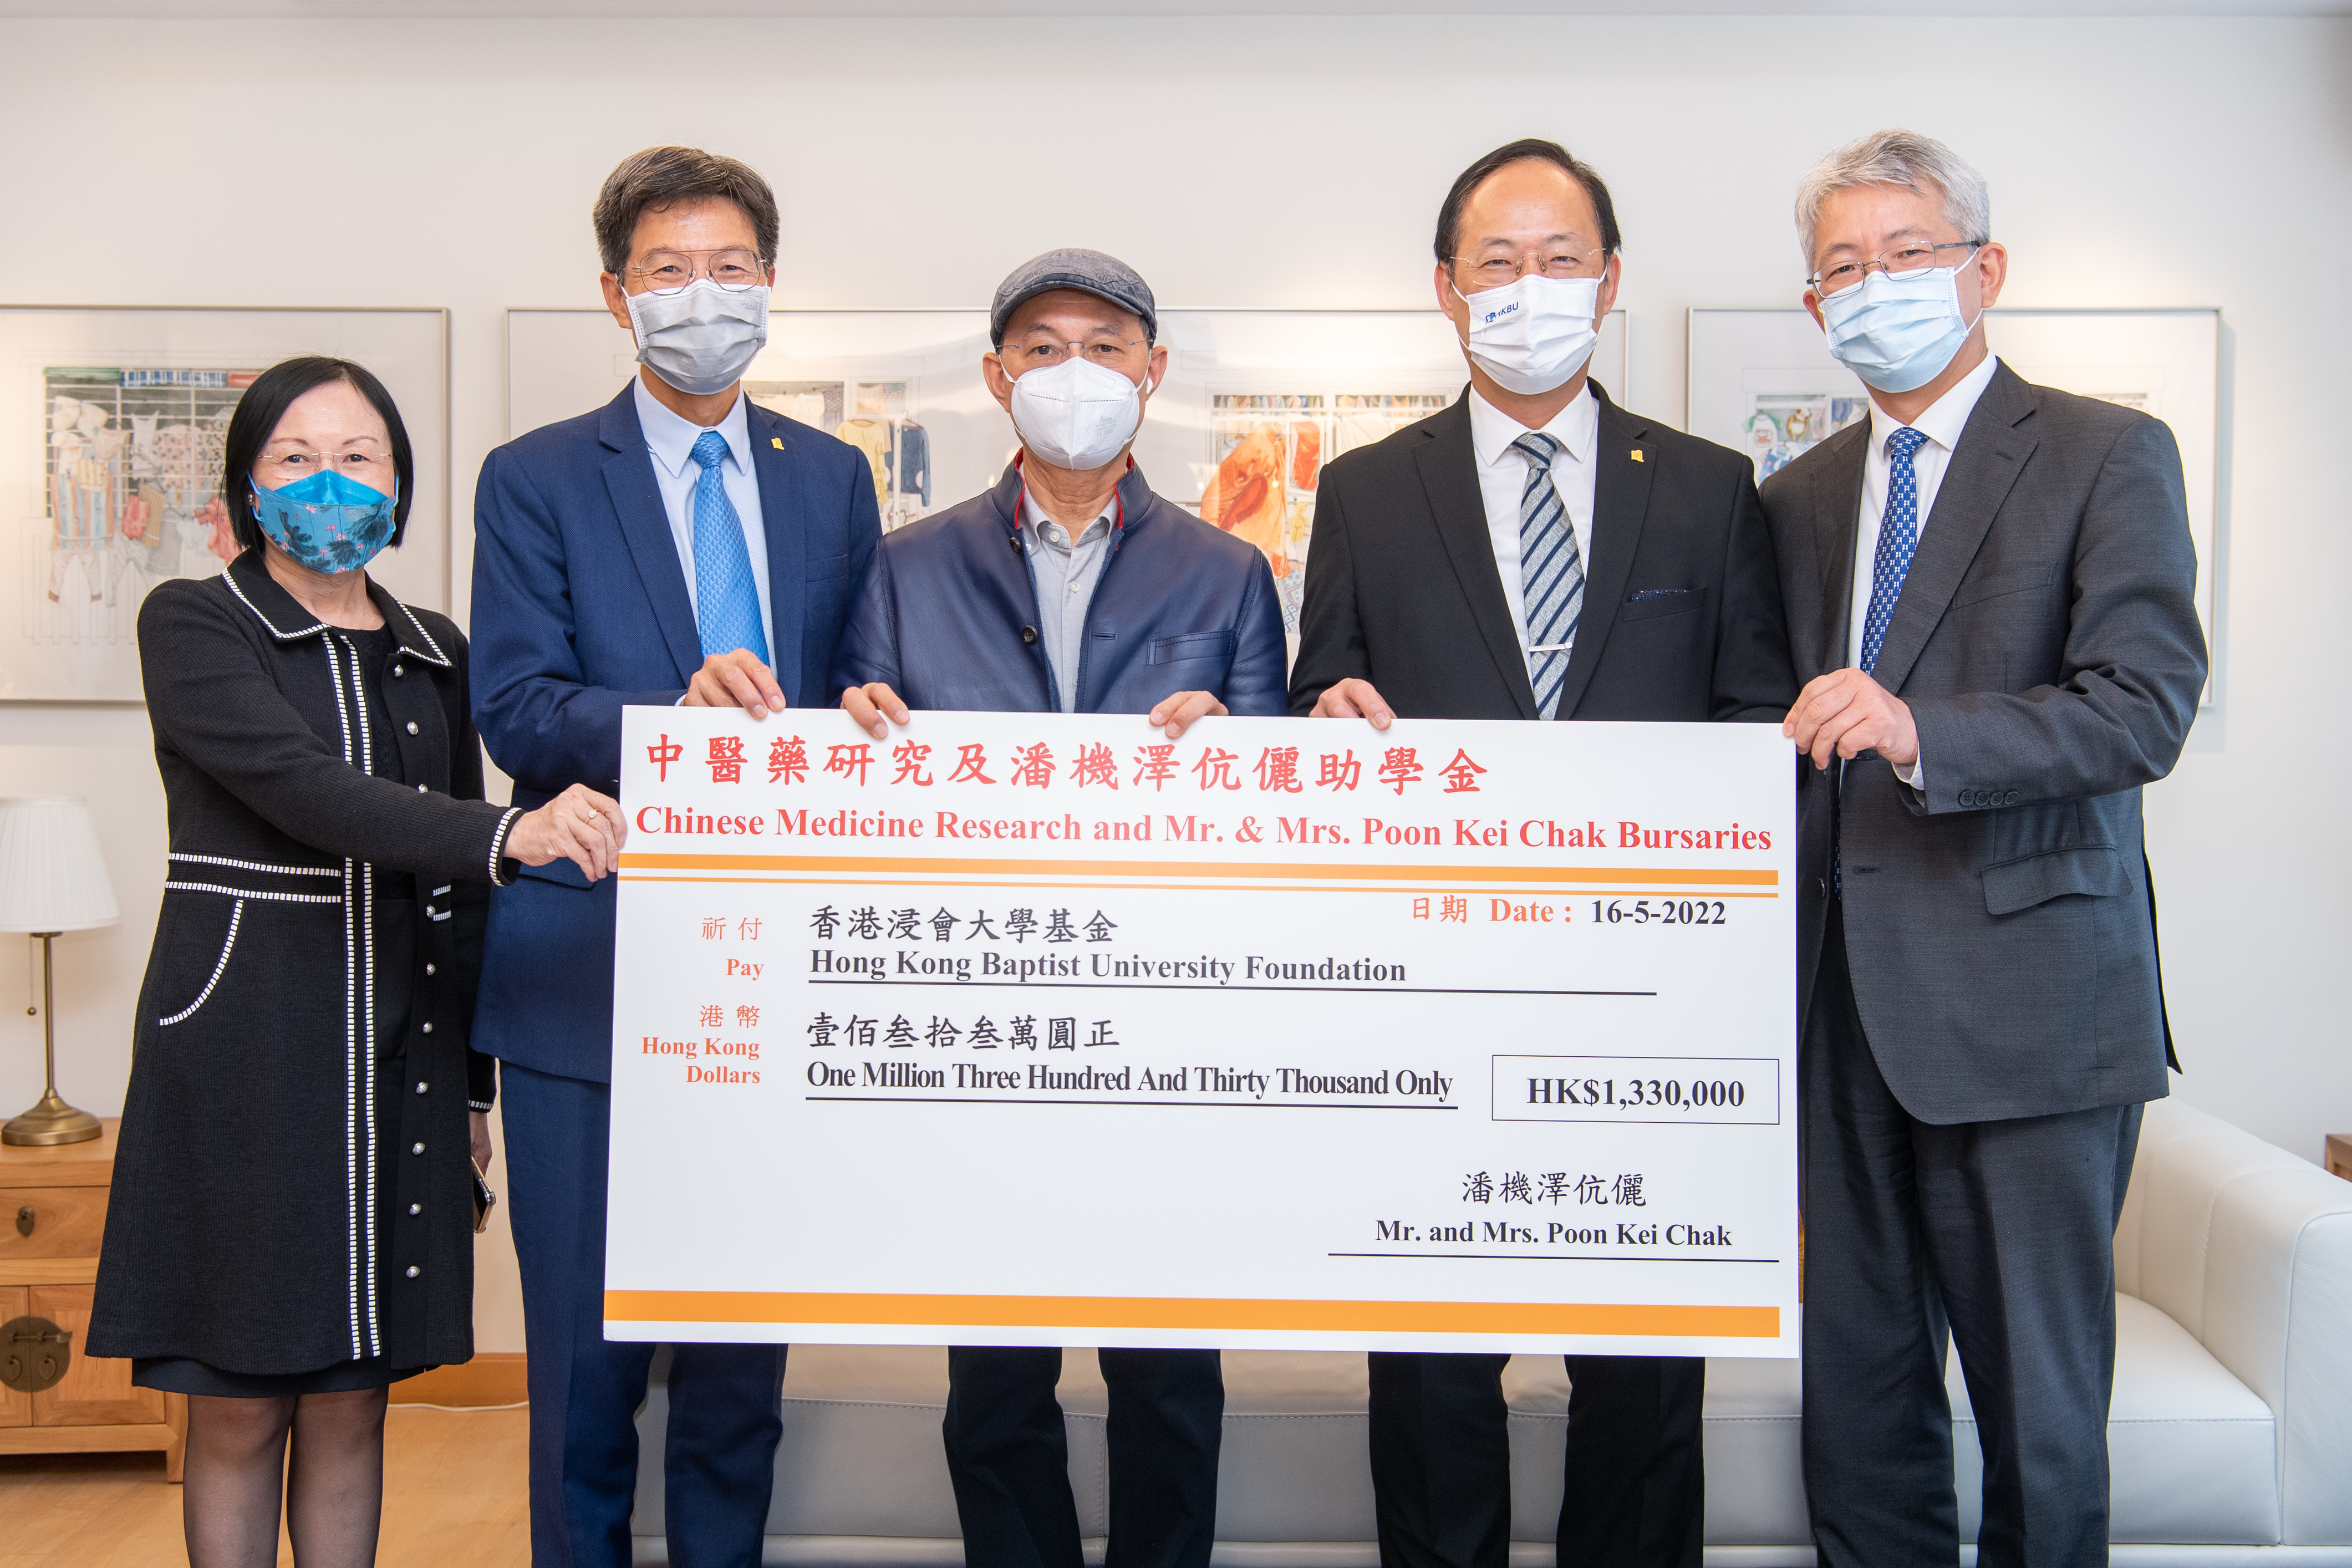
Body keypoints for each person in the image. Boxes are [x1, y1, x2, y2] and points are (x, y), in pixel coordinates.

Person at [1290, 140, 1796, 1568]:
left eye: (1560, 259)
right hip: (1430, 1007)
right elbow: (1320, 698)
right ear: (1447, 291)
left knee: (1642, 1392)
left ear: (1613, 281)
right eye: (1497, 264)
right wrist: (1323, 715)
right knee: (1434, 1388)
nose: (1530, 288)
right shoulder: (1370, 489)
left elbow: (1755, 725)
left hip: (1651, 1015)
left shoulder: (1707, 488)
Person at [88, 356, 625, 1568]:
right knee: (239, 1400)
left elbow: (457, 895)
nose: (328, 481)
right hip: (246, 1048)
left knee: (354, 1393)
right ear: (245, 483)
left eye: (358, 456)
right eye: (293, 457)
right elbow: (304, 790)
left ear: (399, 482)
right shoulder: (193, 621)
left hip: (402, 1053)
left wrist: (477, 1084)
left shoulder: (438, 646)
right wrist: (512, 832)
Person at [1760, 129, 2204, 1568]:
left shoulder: (2102, 451)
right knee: (1861, 1420)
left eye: (1904, 253)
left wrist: (1918, 730)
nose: (1871, 286)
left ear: (1981, 269)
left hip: (2032, 1018)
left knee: (2040, 1422)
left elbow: (2140, 708)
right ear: (1814, 303)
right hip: (1841, 1020)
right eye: (1840, 267)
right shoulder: (1797, 498)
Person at [834, 247, 1285, 1568]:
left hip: (1170, 1038)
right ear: (996, 377)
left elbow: (1276, 830)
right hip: (986, 1031)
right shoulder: (907, 568)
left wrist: (1243, 746)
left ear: (1152, 374)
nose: (1073, 372)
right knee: (995, 1389)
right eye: (1041, 348)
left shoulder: (1226, 574)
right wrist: (854, 736)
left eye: (1105, 344)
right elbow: (857, 807)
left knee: (1168, 1383)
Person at [469, 146, 881, 1567]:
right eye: (667, 271)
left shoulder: (831, 477)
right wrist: (672, 720)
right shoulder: (532, 480)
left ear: (769, 284)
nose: (701, 296)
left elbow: (858, 689)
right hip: (589, 964)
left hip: (774, 979)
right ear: (614, 294)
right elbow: (514, 705)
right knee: (585, 1373)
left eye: (730, 268)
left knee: (734, 1369)